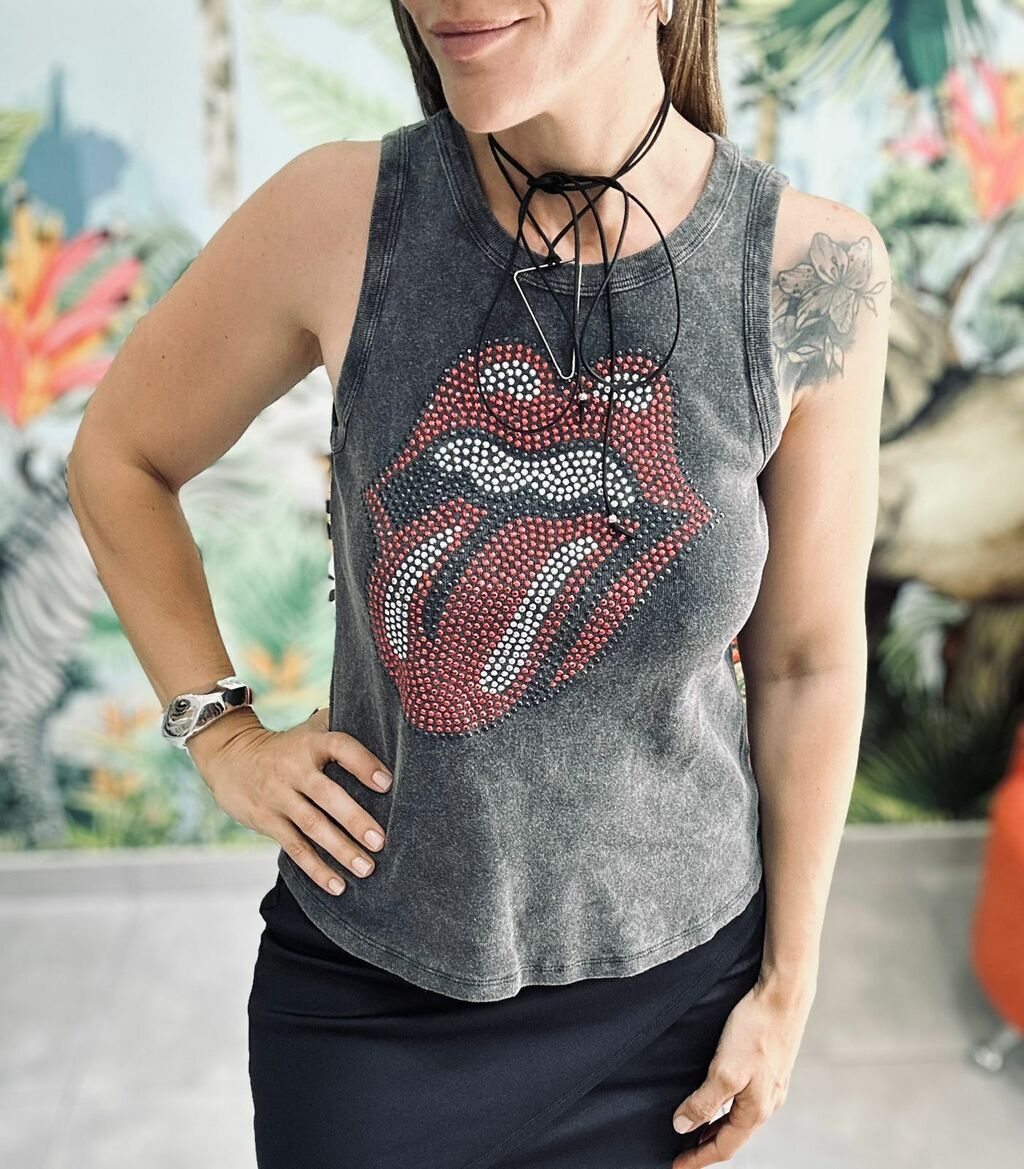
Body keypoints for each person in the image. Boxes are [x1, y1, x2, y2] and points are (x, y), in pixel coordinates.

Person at [66, 1, 891, 1167]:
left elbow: (806, 659)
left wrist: (787, 984)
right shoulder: (338, 214)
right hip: (370, 1005)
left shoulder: (814, 273)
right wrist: (220, 733)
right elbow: (121, 457)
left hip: (673, 1007)